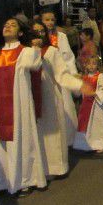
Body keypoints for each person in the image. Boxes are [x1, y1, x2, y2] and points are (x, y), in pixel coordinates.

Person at [0, 18, 46, 196]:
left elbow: (34, 64)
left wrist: (36, 46)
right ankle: (0, 181)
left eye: (13, 25)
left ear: (20, 33)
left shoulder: (25, 51)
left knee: (20, 140)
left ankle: (24, 181)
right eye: (5, 24)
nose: (7, 26)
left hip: (19, 106)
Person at [30, 21, 92, 177]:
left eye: (41, 32)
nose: (38, 35)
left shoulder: (51, 51)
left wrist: (78, 85)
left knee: (52, 134)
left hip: (49, 97)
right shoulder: (24, 52)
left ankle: (56, 167)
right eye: (34, 32)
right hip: (29, 98)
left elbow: (62, 74)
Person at [41, 10, 78, 144]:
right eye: (47, 20)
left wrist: (72, 75)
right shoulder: (37, 37)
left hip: (61, 75)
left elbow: (68, 57)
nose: (50, 22)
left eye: (52, 19)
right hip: (44, 77)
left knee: (65, 106)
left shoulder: (60, 36)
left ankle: (68, 138)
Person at [73, 56, 103, 153]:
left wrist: (95, 92)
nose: (91, 66)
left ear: (98, 66)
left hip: (98, 105)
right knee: (87, 124)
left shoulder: (100, 76)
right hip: (86, 105)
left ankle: (101, 144)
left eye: (94, 63)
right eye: (89, 64)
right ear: (86, 65)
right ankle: (87, 144)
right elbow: (79, 90)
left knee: (98, 125)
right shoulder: (85, 77)